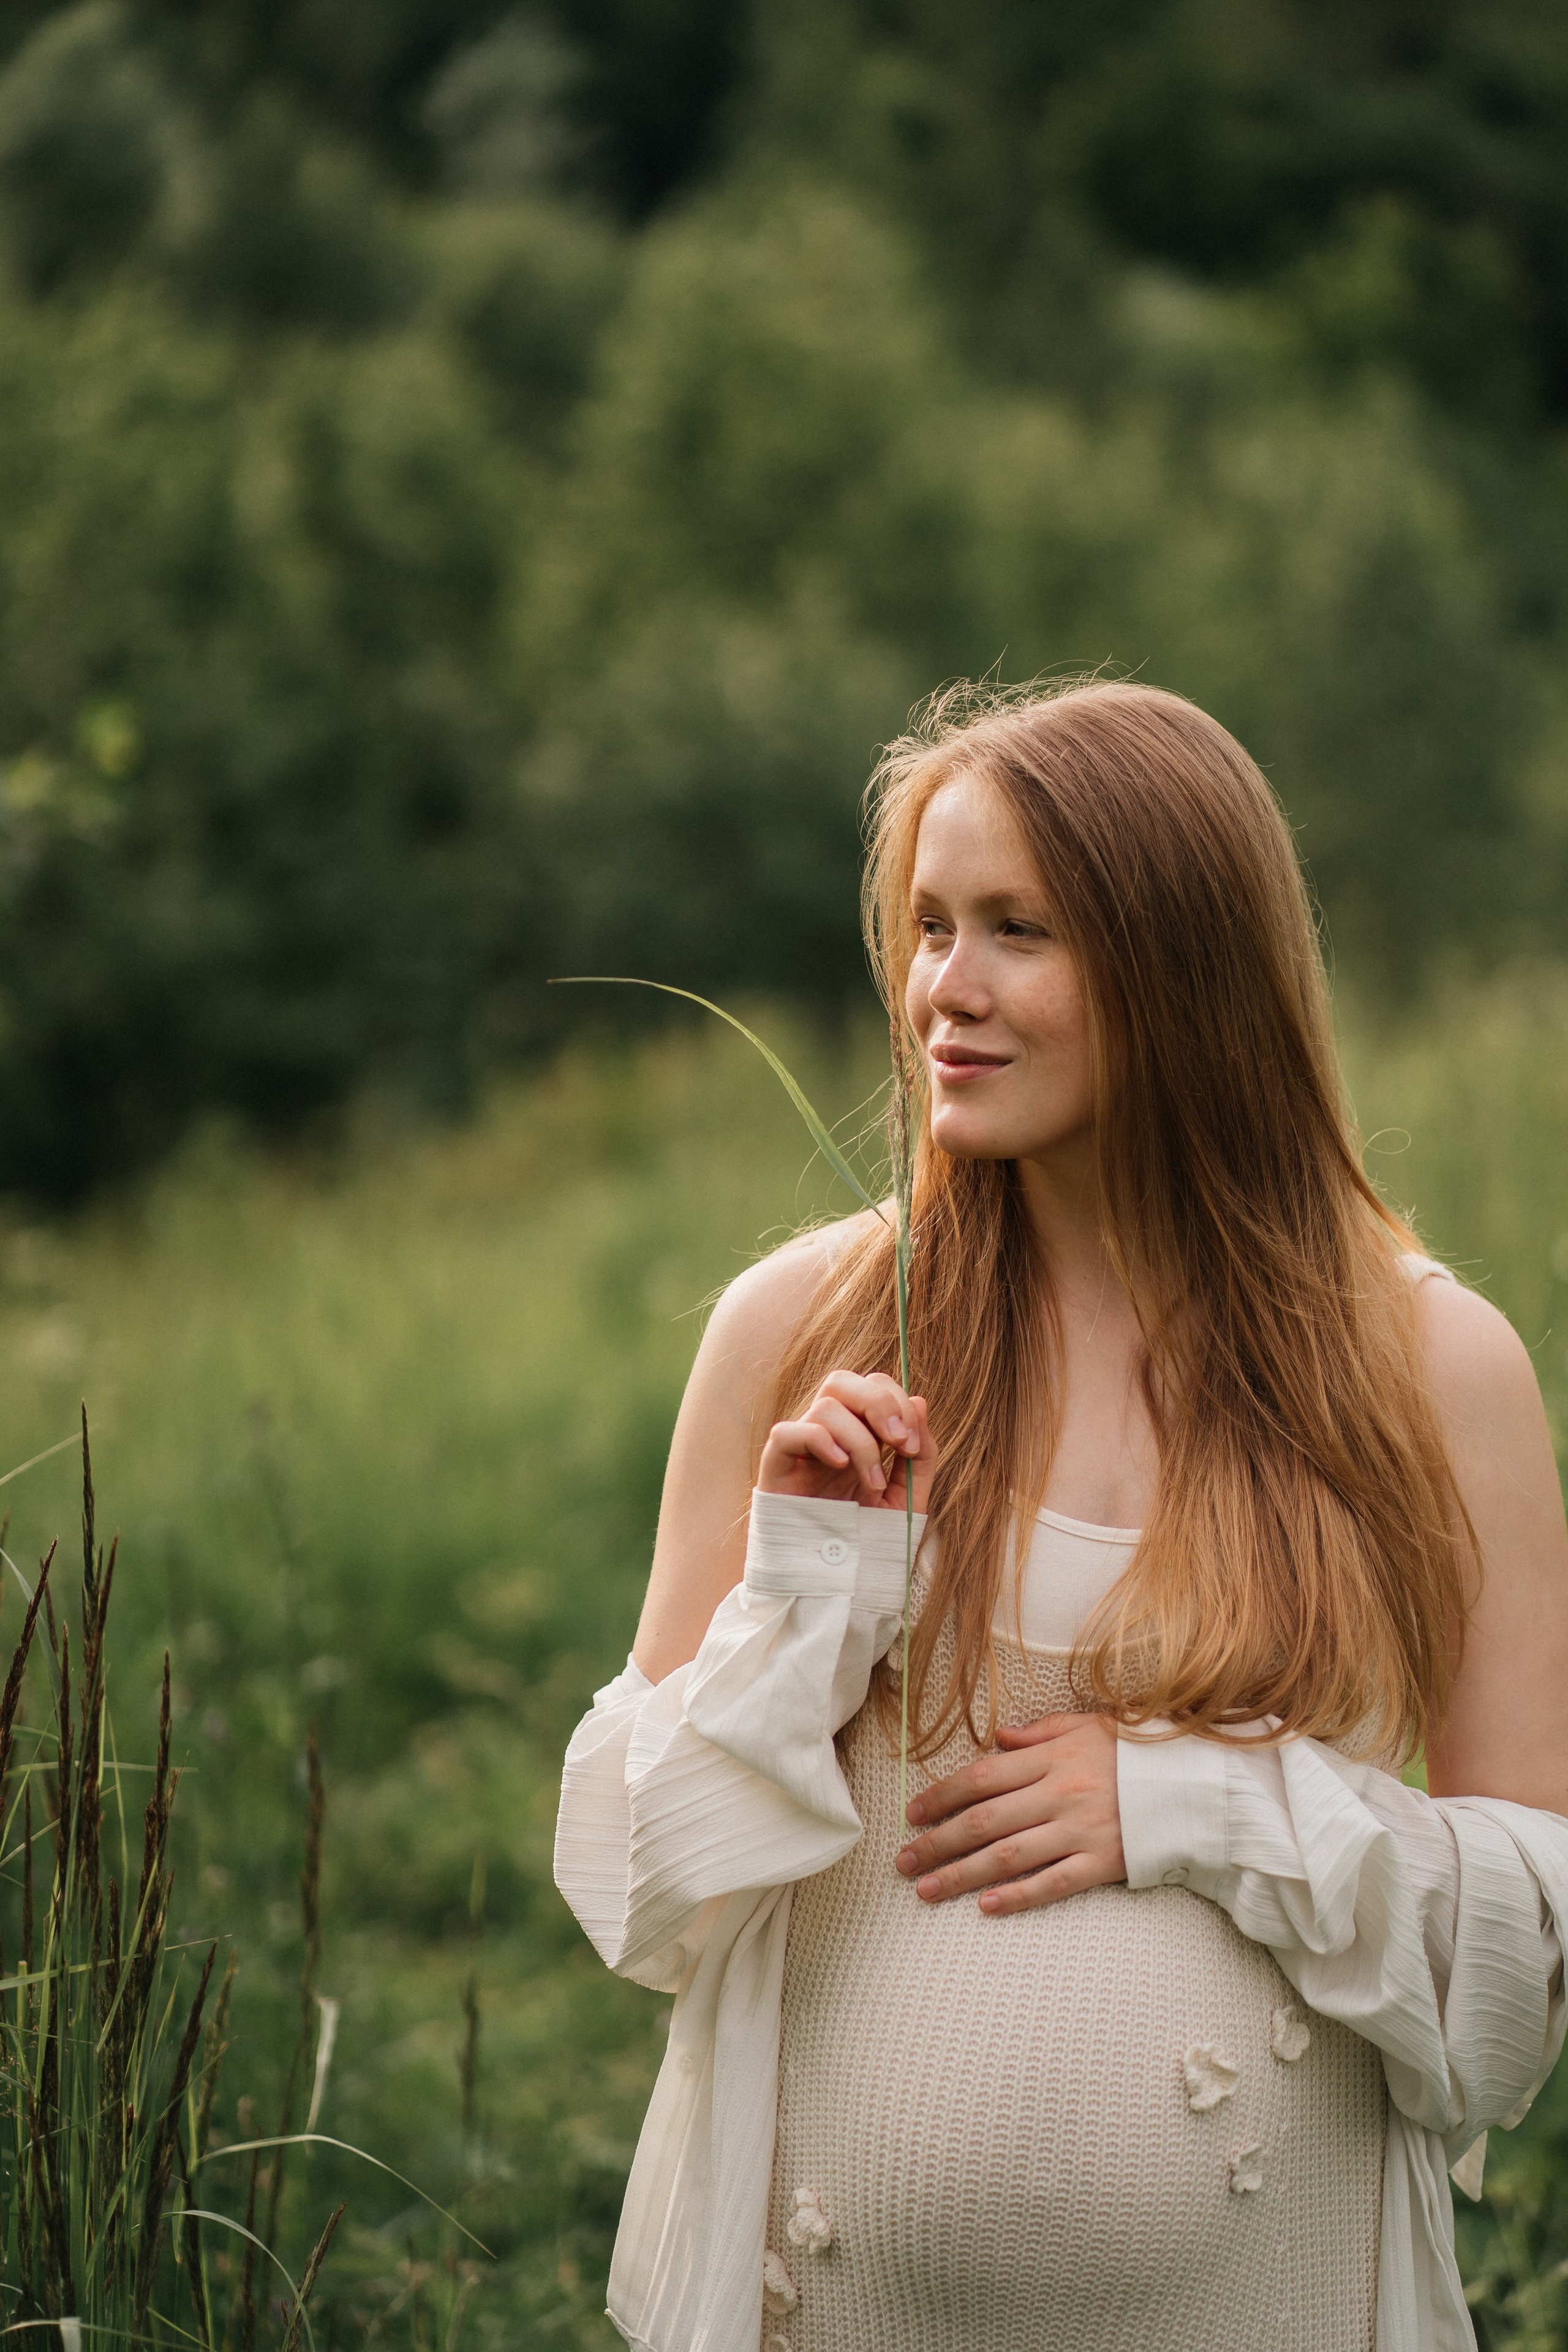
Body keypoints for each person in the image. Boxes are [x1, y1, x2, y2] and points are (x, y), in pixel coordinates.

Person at [554, 680, 1568, 2352]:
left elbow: (1531, 1939)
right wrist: (809, 1594)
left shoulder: (1431, 1364)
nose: (945, 990)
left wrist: (1204, 1804)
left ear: (1188, 968)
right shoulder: (803, 1333)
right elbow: (640, 1893)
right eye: (930, 926)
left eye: (1019, 930)